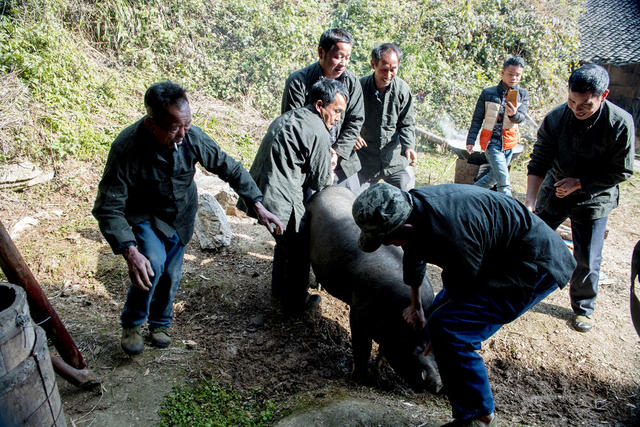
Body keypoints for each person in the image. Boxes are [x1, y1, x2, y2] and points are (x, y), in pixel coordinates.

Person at [352, 183, 576, 426]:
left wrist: (440, 336)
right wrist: (416, 304)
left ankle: (478, 414)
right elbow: (414, 252)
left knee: (451, 330)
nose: (389, 245)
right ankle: (453, 370)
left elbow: (465, 286)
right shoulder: (414, 206)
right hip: (495, 259)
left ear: (404, 227)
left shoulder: (452, 232)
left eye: (387, 240)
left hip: (530, 267)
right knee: (435, 318)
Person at [93, 81, 283, 355]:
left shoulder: (191, 136)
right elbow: (109, 206)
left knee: (171, 273)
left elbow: (228, 167)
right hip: (144, 215)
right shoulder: (127, 147)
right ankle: (133, 323)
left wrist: (258, 204)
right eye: (174, 129)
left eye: (187, 125)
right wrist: (130, 250)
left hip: (181, 215)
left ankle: (160, 323)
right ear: (151, 124)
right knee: (153, 263)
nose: (182, 134)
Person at [525, 64, 635, 333]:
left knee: (586, 256)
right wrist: (530, 204)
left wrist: (580, 183)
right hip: (558, 186)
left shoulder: (620, 123)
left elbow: (622, 170)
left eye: (585, 104)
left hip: (596, 195)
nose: (577, 109)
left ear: (604, 95)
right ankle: (519, 286)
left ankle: (583, 307)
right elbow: (539, 161)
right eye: (572, 101)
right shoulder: (556, 118)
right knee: (531, 239)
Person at [241, 79, 347, 311]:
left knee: (284, 243)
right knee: (300, 248)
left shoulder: (292, 116)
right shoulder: (319, 131)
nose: (338, 117)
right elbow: (320, 182)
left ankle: (278, 290)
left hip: (259, 190)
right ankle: (295, 302)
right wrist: (329, 164)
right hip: (281, 196)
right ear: (320, 106)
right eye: (336, 111)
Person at [281, 28, 364, 191]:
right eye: (338, 57)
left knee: (345, 208)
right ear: (321, 52)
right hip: (306, 160)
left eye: (347, 58)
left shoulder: (352, 83)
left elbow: (355, 120)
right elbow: (293, 126)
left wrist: (336, 153)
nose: (343, 63)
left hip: (341, 161)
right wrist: (321, 155)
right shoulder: (298, 82)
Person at [355, 43, 417, 193]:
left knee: (407, 195)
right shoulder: (359, 87)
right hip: (366, 159)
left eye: (393, 69)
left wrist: (408, 146)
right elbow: (347, 118)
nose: (388, 75)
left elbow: (407, 123)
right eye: (384, 69)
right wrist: (353, 135)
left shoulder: (402, 89)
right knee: (354, 200)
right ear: (373, 65)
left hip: (394, 158)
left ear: (398, 65)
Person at [466, 56, 530, 196]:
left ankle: (468, 195)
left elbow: (521, 118)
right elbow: (477, 118)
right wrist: (471, 140)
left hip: (509, 142)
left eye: (517, 75)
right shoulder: (488, 93)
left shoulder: (522, 95)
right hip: (491, 142)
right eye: (510, 74)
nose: (514, 78)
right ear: (502, 73)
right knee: (504, 180)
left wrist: (513, 114)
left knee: (493, 178)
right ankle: (509, 209)